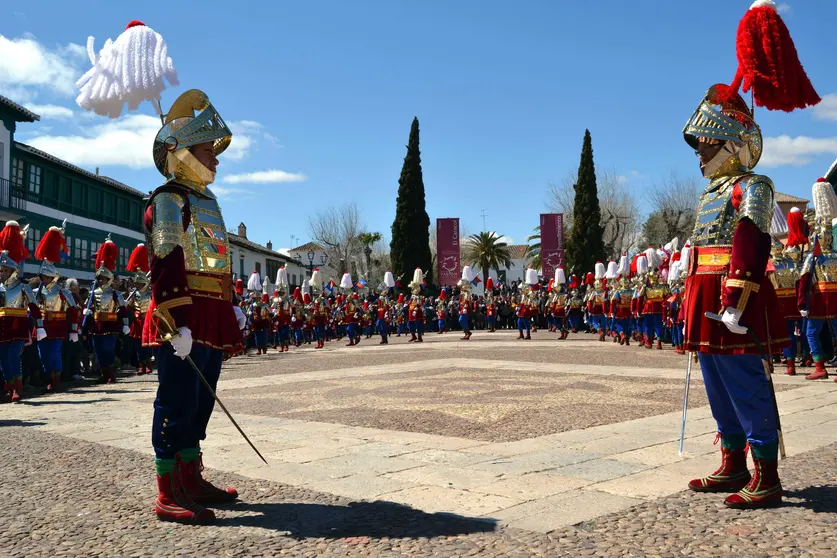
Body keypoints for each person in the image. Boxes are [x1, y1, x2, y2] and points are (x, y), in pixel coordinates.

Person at [682, 0, 819, 510]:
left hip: (733, 298)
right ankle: (732, 460)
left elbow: (750, 241)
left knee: (743, 380)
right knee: (715, 381)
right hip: (704, 294)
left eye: (708, 145)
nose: (701, 154)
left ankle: (766, 474)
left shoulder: (753, 186)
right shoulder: (708, 193)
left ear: (734, 144)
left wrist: (736, 293)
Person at [142, 89, 246, 524]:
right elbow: (167, 262)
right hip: (183, 314)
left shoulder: (207, 202)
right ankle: (169, 489)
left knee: (201, 399)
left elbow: (216, 261)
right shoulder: (169, 200)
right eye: (207, 152)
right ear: (179, 154)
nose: (216, 160)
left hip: (212, 310)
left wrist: (232, 302)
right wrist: (175, 322)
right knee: (176, 399)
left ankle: (191, 475)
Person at [0, 222, 44, 403]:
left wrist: (40, 327)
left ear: (13, 271)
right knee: (2, 360)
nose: (1, 272)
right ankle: (9, 387)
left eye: (4, 270)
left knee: (12, 358)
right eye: (0, 270)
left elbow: (34, 309)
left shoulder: (23, 286)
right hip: (1, 327)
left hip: (18, 326)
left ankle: (17, 389)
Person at [33, 223, 78, 393]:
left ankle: (56, 379)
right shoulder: (36, 291)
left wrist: (74, 330)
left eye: (45, 276)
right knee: (42, 355)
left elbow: (73, 311)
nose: (43, 279)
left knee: (54, 354)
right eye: (42, 276)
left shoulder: (63, 292)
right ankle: (47, 377)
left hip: (57, 326)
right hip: (42, 326)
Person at [85, 238, 130, 384]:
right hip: (97, 324)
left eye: (104, 278)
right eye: (100, 278)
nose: (101, 281)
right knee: (98, 351)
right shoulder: (93, 292)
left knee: (108, 349)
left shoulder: (114, 293)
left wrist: (125, 324)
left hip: (111, 324)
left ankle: (111, 373)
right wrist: (87, 311)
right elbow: (89, 306)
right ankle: (104, 373)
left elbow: (123, 310)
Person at [126, 244, 153, 375]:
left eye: (139, 283)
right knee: (137, 345)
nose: (137, 285)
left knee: (146, 344)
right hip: (136, 322)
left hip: (146, 320)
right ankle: (140, 365)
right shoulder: (134, 294)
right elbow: (130, 307)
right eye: (136, 283)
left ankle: (148, 364)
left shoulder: (150, 294)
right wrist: (127, 304)